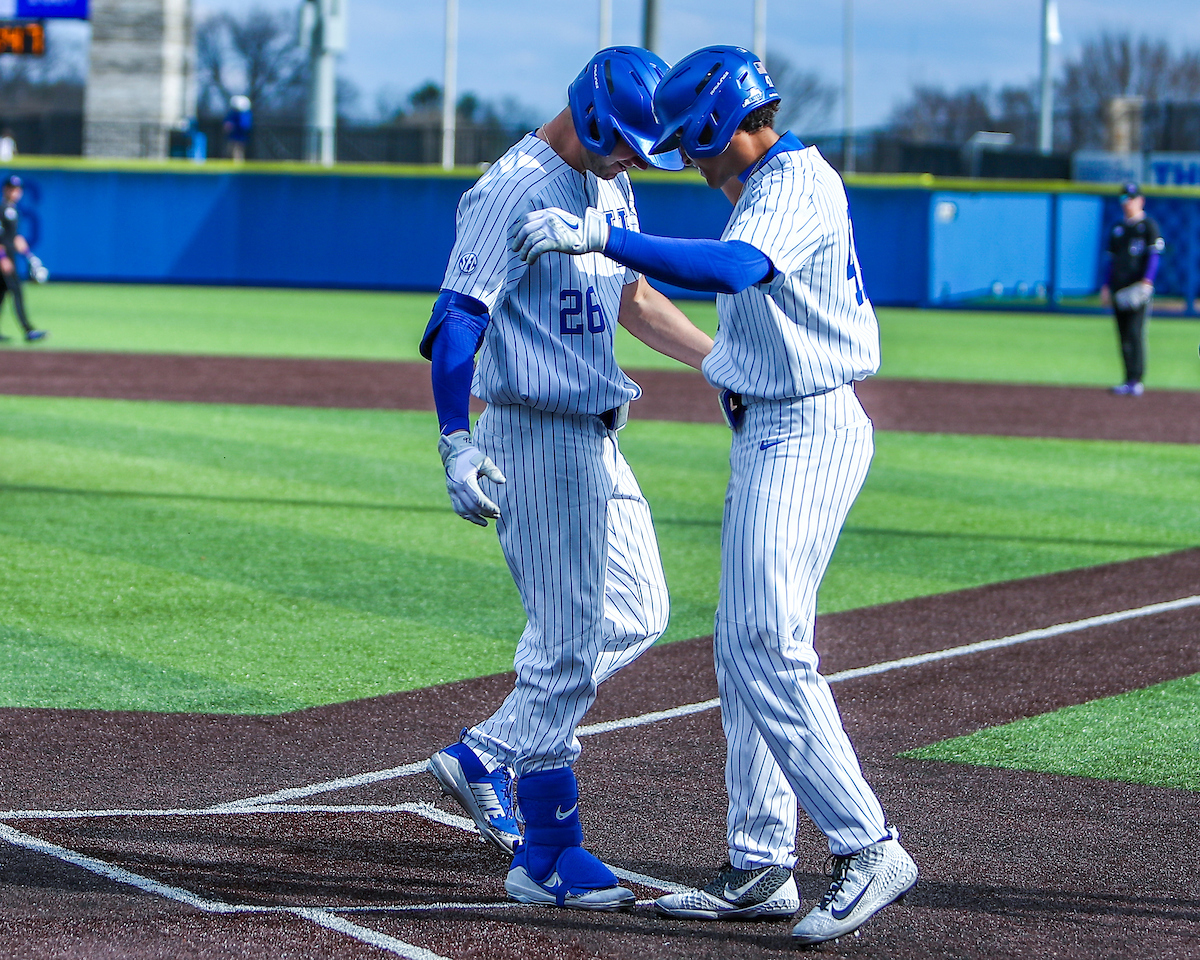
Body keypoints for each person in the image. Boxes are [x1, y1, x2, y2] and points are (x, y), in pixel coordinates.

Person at [515, 45, 917, 944]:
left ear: (722, 126)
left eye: (694, 146)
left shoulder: (792, 184)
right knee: (744, 654)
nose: (690, 165)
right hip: (776, 423)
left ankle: (866, 846)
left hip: (808, 429)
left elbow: (735, 270)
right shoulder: (771, 179)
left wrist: (603, 236)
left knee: (766, 643)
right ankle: (759, 864)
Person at [419, 47, 713, 911]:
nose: (632, 159)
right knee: (569, 641)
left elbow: (635, 300)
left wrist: (722, 361)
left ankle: (489, 752)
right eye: (623, 143)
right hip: (536, 436)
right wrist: (454, 440)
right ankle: (546, 854)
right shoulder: (511, 189)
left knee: (642, 610)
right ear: (588, 116)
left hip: (596, 437)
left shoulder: (608, 179)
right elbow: (457, 319)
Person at [1099, 181, 1162, 396]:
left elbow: (1154, 257)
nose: (1128, 203)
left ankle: (1137, 379)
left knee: (1135, 333)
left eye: (1132, 198)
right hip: (1119, 288)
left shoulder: (1148, 226)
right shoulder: (1118, 229)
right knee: (1123, 335)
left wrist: (1147, 281)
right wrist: (1106, 286)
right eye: (1124, 199)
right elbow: (1111, 261)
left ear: (1141, 201)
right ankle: (1127, 379)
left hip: (1137, 288)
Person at [0, 175, 48, 343]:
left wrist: (30, 256)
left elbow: (15, 238)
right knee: (17, 292)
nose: (15, 192)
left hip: (9, 257)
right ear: (5, 189)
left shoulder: (13, 210)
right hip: (3, 258)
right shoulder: (2, 209)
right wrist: (2, 257)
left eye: (18, 190)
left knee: (1, 293)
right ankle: (28, 330)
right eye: (11, 189)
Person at [223, 96, 252, 163]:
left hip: (239, 137)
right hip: (233, 136)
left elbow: (245, 126)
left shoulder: (244, 114)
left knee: (237, 152)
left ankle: (238, 166)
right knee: (230, 152)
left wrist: (233, 126)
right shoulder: (233, 113)